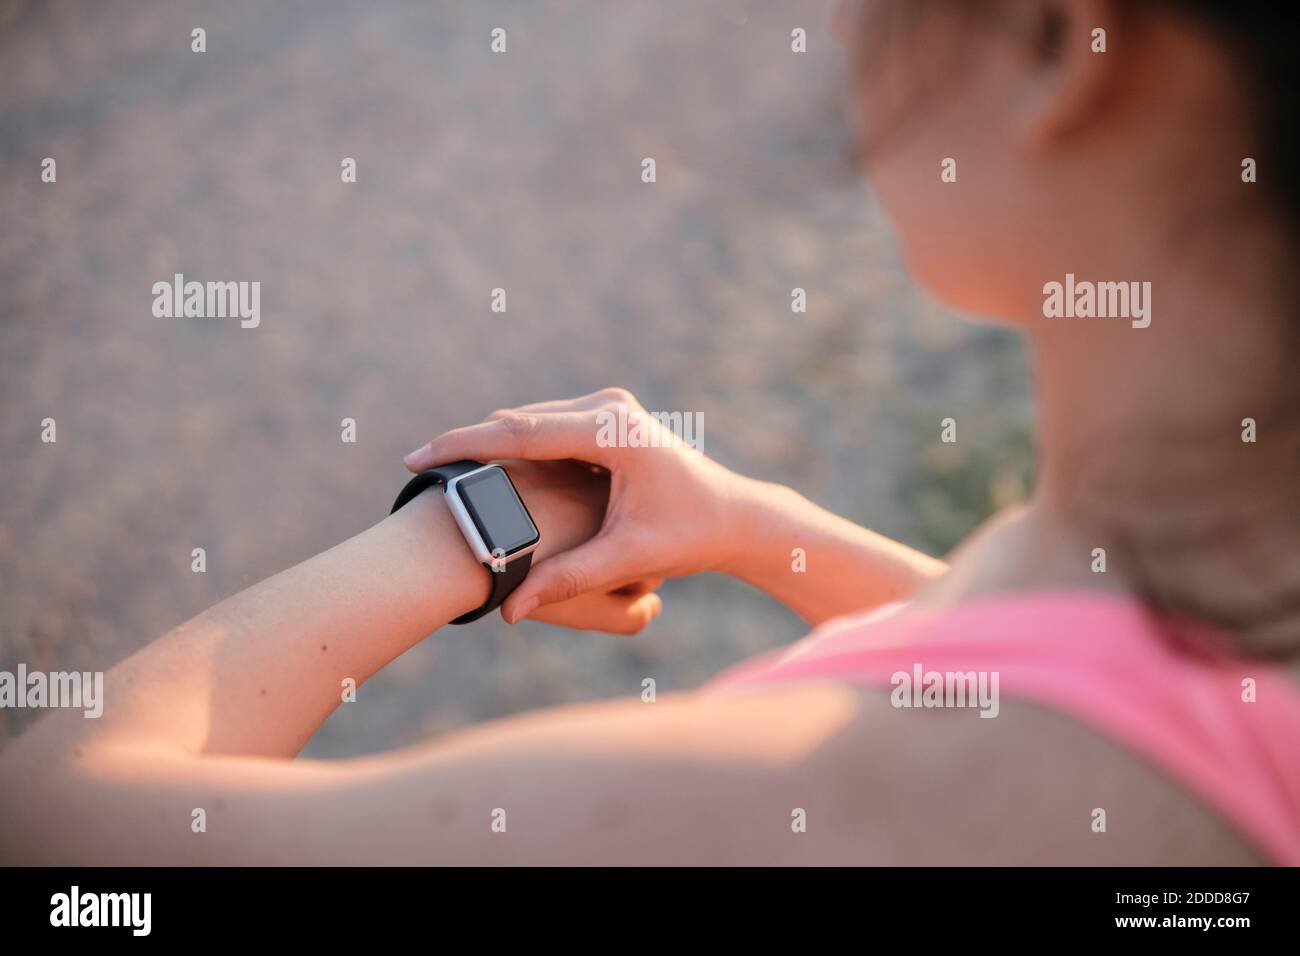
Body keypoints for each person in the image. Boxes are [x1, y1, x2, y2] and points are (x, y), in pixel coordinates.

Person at [2, 0, 1297, 865]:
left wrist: (481, 526)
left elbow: (65, 836)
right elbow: (1098, 682)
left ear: (1058, 39)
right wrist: (752, 527)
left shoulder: (822, 804)